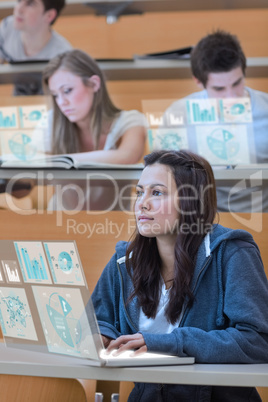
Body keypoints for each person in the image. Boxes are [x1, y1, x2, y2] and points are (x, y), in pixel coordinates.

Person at [91, 149, 268, 401]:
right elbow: (97, 320)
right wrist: (101, 336)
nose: (142, 203)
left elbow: (257, 341)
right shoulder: (124, 261)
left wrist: (170, 343)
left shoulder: (233, 252)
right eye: (140, 192)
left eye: (157, 192)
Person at [163, 30, 268, 213]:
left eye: (237, 83)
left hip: (261, 216)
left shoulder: (265, 108)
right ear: (198, 81)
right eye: (219, 88)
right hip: (200, 221)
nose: (231, 97)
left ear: (244, 72)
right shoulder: (178, 114)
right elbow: (161, 176)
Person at [42, 49, 148, 210]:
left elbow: (126, 157)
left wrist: (60, 160)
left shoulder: (131, 120)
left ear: (94, 84)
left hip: (112, 224)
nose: (61, 102)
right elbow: (33, 167)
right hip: (59, 221)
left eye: (67, 91)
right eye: (55, 95)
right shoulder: (50, 121)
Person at [0, 0, 72, 95]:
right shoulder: (6, 28)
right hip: (19, 105)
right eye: (19, 1)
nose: (19, 9)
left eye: (30, 4)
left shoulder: (63, 55)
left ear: (49, 16)